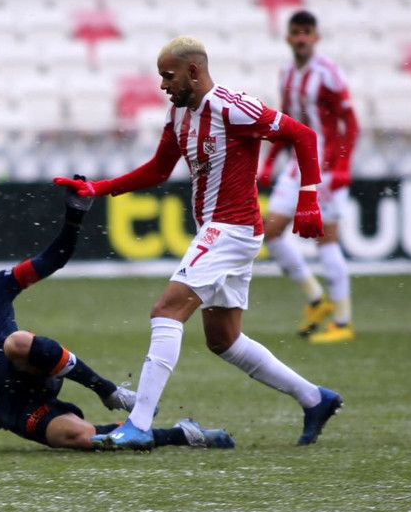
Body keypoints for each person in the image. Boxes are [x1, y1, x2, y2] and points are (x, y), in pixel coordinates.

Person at [55, 35, 342, 450]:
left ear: (193, 71)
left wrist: (309, 198)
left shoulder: (233, 106)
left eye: (168, 77)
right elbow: (157, 169)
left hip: (232, 228)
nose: (163, 86)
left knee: (166, 309)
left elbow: (303, 135)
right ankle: (315, 398)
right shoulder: (179, 117)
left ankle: (138, 423)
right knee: (223, 339)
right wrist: (98, 189)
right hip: (220, 230)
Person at [0, 186, 235, 451]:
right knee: (81, 438)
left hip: (27, 369)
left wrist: (74, 218)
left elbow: (53, 259)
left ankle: (108, 391)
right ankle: (182, 434)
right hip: (11, 410)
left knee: (16, 342)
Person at [257, 10, 360, 344]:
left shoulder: (328, 73)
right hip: (297, 163)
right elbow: (285, 121)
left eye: (307, 32)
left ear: (315, 37)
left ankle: (343, 321)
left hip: (327, 165)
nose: (301, 38)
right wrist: (270, 159)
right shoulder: (287, 72)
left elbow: (351, 122)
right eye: (296, 32)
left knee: (326, 238)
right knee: (270, 231)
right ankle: (317, 299)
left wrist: (343, 165)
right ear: (288, 37)